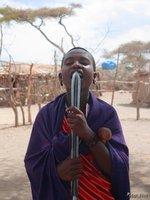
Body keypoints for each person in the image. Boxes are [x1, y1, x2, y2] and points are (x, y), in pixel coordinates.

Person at [24, 47, 130, 200]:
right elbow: (33, 163)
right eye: (69, 63)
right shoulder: (47, 115)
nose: (76, 65)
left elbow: (119, 166)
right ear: (61, 78)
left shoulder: (106, 113)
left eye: (84, 62)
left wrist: (88, 134)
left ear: (94, 76)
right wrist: (57, 171)